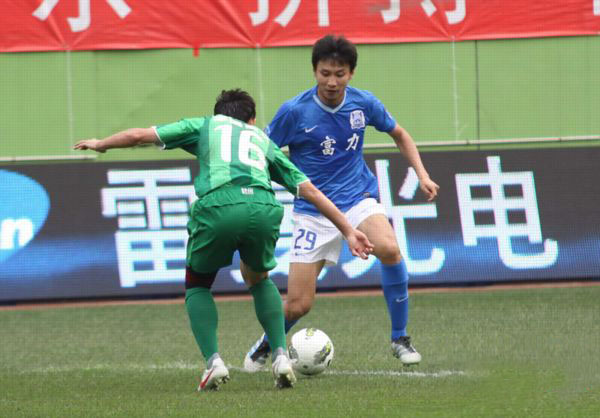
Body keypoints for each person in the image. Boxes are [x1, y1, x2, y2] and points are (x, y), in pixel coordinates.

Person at [74, 89, 373, 391]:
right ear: (252, 119)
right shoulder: (262, 140)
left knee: (198, 284)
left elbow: (139, 135)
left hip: (219, 205)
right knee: (258, 278)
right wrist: (348, 231)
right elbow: (310, 191)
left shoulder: (205, 125)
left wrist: (101, 144)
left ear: (218, 114)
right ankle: (281, 355)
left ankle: (214, 362)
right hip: (264, 207)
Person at [243, 35, 439, 372]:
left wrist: (422, 174)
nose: (332, 82)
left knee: (389, 248)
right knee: (299, 305)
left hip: (356, 198)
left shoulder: (364, 104)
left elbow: (400, 134)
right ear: (314, 72)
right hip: (313, 211)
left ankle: (400, 338)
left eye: (339, 74)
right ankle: (267, 343)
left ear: (351, 73)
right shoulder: (294, 111)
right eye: (325, 73)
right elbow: (261, 152)